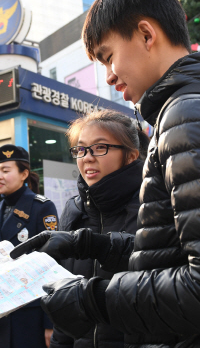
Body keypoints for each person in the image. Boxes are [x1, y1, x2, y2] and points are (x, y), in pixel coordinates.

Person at [11, 0, 200, 346]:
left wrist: (93, 299)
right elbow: (178, 251)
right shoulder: (191, 108)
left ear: (146, 34)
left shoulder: (192, 115)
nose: (108, 76)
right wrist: (91, 244)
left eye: (108, 56)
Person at [48, 109, 148, 348]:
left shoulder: (153, 206)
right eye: (80, 149)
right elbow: (63, 292)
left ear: (131, 155)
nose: (87, 157)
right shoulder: (73, 210)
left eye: (100, 147)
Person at [0, 144, 59, 348]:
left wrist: (50, 323)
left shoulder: (42, 207)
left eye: (6, 171)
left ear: (24, 174)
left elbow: (51, 265)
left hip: (29, 315)